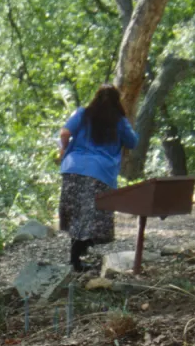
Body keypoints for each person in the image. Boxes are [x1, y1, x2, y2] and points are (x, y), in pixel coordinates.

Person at [58, 85, 139, 271]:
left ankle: (76, 259)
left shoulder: (82, 113)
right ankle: (77, 257)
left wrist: (63, 149)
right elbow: (132, 142)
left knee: (77, 212)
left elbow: (64, 133)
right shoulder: (119, 121)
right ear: (117, 101)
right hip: (100, 171)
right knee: (94, 216)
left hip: (73, 167)